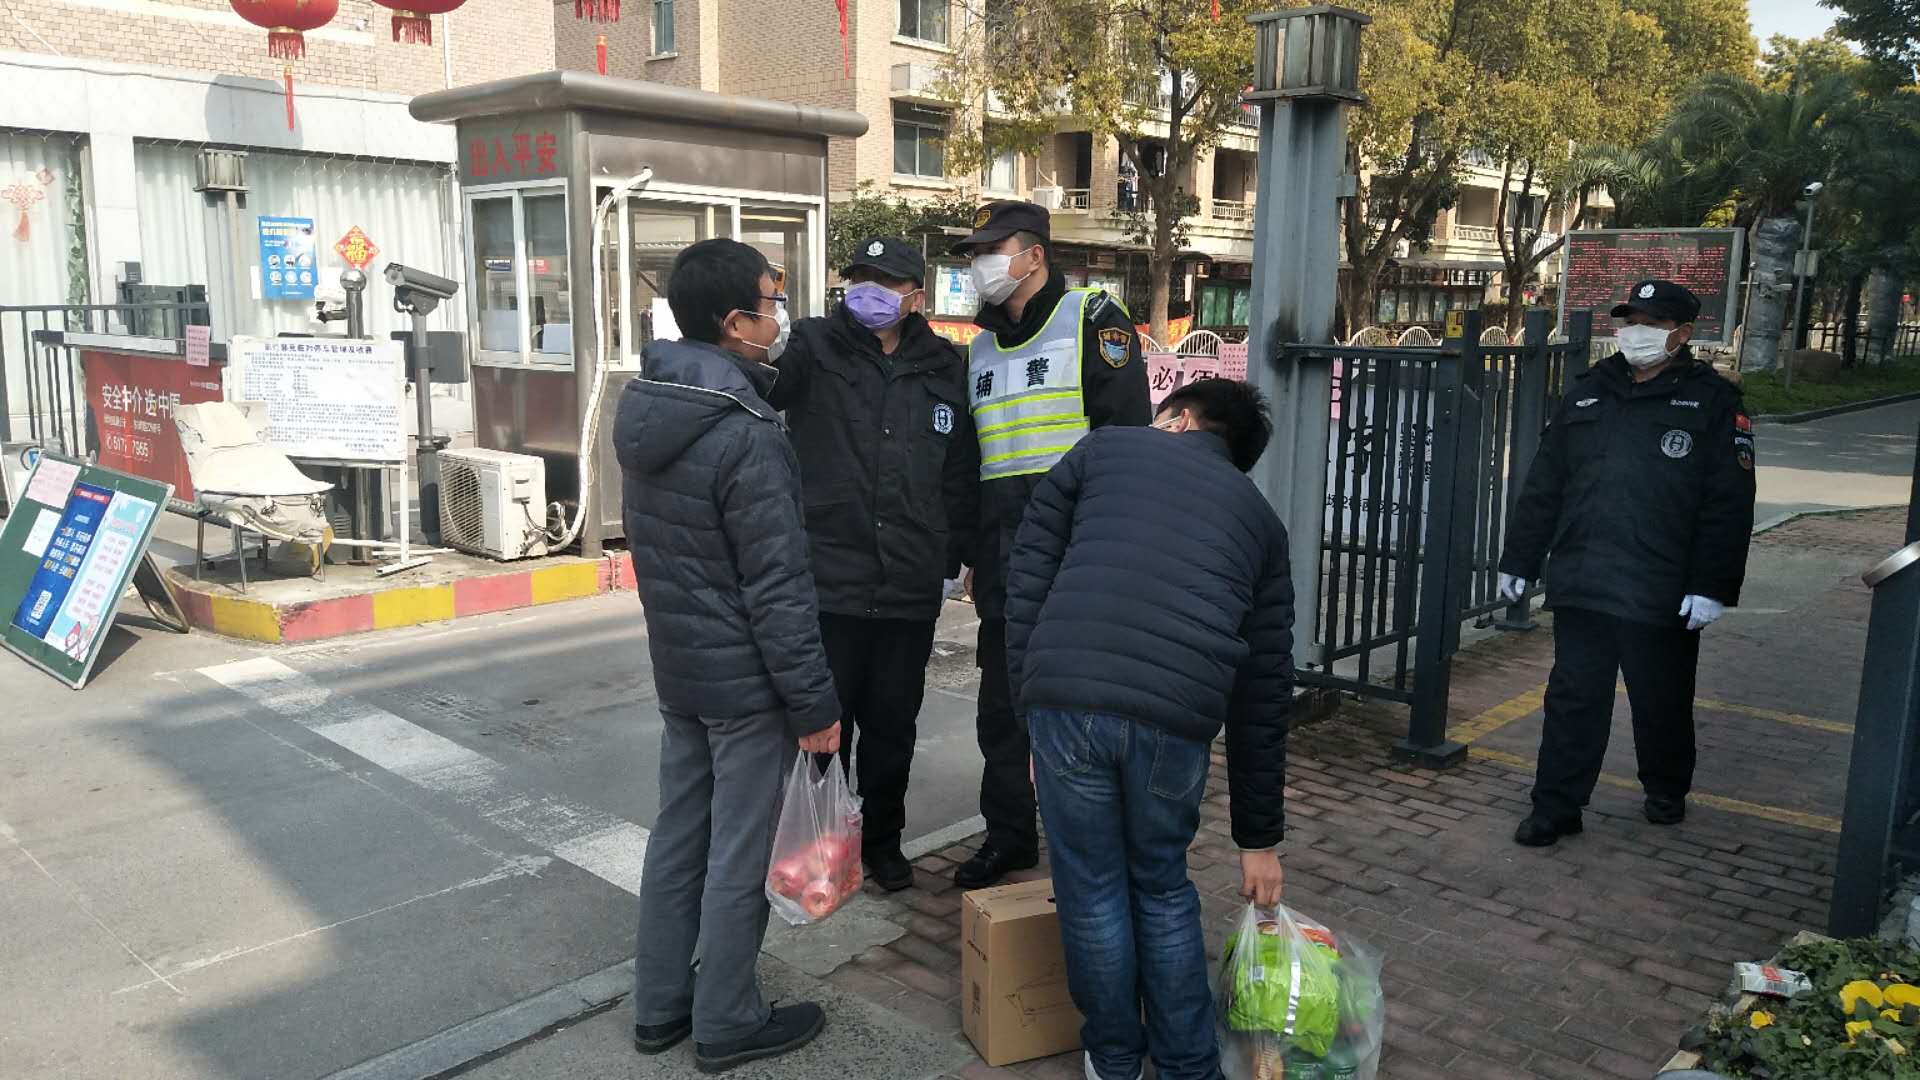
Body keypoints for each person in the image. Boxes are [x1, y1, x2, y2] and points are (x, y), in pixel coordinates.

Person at [1004, 378, 1293, 1080]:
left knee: (1091, 887)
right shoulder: (1261, 522)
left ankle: (1115, 1060)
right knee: (1161, 886)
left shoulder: (1103, 450)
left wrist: (1029, 714)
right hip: (1177, 717)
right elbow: (1264, 688)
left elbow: (1029, 578)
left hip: (1067, 694)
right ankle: (1190, 1066)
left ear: (1179, 419)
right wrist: (1258, 839)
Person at [613, 238, 843, 1072]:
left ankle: (660, 1006)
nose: (780, 315)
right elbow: (777, 586)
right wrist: (814, 705)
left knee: (680, 836)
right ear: (734, 321)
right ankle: (727, 1020)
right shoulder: (744, 431)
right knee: (738, 854)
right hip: (745, 683)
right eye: (771, 301)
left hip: (681, 667)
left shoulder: (649, 408)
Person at [1497, 279, 1756, 848]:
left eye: (1651, 324)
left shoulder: (1713, 401)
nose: (1636, 333)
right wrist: (1520, 556)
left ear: (1681, 334)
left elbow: (1728, 504)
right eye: (1630, 321)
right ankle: (1556, 805)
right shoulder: (1589, 391)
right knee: (1573, 697)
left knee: (1661, 699)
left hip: (1661, 585)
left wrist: (1711, 585)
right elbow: (1546, 483)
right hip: (1585, 576)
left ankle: (1666, 787)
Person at [948, 199, 1152, 889]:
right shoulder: (978, 348)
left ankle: (1093, 849)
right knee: (1002, 711)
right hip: (1004, 560)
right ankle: (1009, 836)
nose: (980, 264)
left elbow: (1123, 442)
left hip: (1077, 555)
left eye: (991, 250)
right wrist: (972, 552)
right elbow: (974, 461)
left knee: (1087, 709)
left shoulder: (1092, 319)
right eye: (975, 253)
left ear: (1034, 255)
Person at [767, 236, 979, 892]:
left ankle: (883, 843)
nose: (870, 290)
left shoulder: (945, 364)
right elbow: (763, 392)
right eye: (860, 276)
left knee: (893, 727)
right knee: (824, 730)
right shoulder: (812, 345)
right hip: (828, 579)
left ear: (916, 295)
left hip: (909, 583)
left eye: (885, 281)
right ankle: (822, 849)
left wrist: (955, 556)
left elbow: (959, 471)